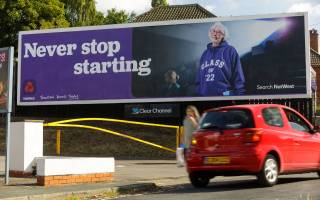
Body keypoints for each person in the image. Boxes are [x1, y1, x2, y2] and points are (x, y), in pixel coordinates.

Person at [196, 22, 245, 96]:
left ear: (223, 36)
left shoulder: (230, 51)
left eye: (219, 32)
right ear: (209, 33)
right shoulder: (205, 53)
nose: (215, 34)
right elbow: (199, 78)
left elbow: (238, 77)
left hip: (223, 98)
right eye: (213, 31)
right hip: (204, 99)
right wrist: (199, 93)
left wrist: (238, 96)